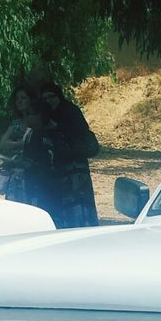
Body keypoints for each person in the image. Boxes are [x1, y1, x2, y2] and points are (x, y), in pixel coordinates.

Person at [38, 81, 99, 227]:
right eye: (45, 98)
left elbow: (80, 131)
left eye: (51, 96)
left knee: (80, 199)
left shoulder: (70, 110)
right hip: (60, 165)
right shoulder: (46, 114)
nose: (48, 100)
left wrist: (58, 127)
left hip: (76, 163)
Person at [0, 86, 49, 207]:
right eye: (17, 98)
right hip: (16, 172)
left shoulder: (40, 124)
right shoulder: (16, 123)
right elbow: (3, 144)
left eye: (23, 98)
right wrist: (23, 143)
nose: (19, 101)